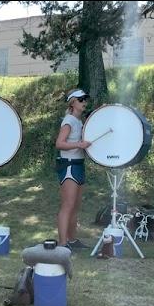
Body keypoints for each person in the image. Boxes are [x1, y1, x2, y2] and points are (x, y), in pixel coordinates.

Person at [55, 88, 92, 250]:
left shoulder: (78, 121)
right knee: (67, 206)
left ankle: (72, 240)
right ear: (72, 102)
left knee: (75, 206)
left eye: (85, 99)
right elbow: (59, 143)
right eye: (81, 99)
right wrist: (79, 144)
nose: (85, 102)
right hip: (69, 165)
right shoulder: (69, 120)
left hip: (78, 165)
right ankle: (63, 244)